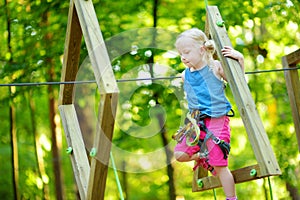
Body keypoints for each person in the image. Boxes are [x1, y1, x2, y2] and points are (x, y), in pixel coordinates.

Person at [173, 28, 244, 200]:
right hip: (195, 123)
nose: (183, 57)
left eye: (187, 52)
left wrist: (239, 59)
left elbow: (239, 82)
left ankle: (231, 198)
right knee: (179, 155)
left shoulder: (215, 67)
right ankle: (203, 155)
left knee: (219, 166)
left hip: (217, 120)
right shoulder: (184, 75)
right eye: (180, 53)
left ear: (202, 49)